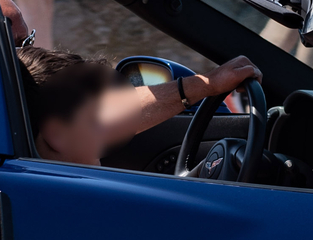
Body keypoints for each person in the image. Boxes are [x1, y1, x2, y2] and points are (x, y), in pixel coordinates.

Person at [19, 46, 259, 166]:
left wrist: (209, 84)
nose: (110, 121)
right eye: (95, 118)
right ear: (57, 134)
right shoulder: (77, 203)